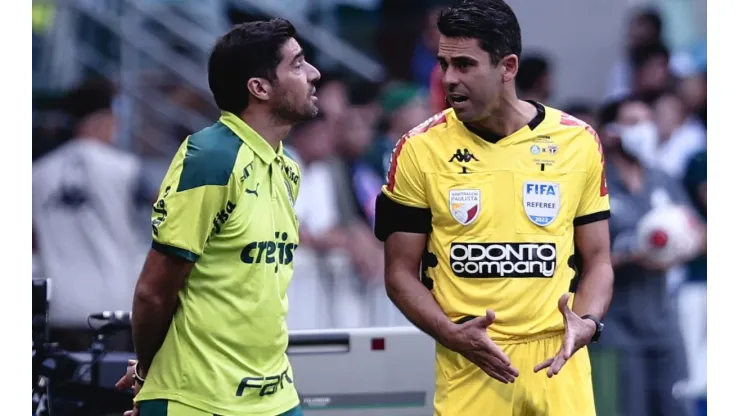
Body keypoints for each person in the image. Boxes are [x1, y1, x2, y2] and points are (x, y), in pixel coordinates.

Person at [373, 1, 614, 415]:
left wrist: (587, 322)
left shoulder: (578, 142)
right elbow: (398, 273)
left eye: (465, 65)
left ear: (508, 66)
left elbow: (599, 260)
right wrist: (452, 334)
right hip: (471, 365)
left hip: (559, 363)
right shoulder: (418, 150)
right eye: (444, 64)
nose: (449, 79)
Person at [116, 19, 321, 416]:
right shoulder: (211, 158)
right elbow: (153, 291)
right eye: (297, 65)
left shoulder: (287, 169)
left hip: (277, 397)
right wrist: (148, 374)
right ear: (259, 88)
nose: (314, 74)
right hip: (200, 400)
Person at [594, 96, 704, 416]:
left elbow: (696, 230)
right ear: (611, 132)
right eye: (632, 122)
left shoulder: (662, 178)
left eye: (646, 121)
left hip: (663, 323)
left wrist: (684, 244)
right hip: (616, 326)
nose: (643, 130)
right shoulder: (596, 183)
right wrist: (633, 253)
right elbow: (579, 259)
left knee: (676, 408)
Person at [32, 78, 147, 350]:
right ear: (105, 118)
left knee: (63, 391)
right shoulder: (127, 169)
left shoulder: (37, 174)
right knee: (114, 389)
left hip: (59, 308)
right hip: (115, 308)